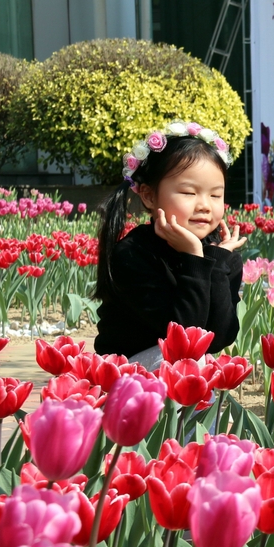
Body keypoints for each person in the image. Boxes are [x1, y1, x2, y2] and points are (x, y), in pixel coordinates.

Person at [94, 122, 247, 369]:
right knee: (190, 362)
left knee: (204, 366)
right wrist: (194, 258)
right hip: (127, 377)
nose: (205, 205)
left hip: (179, 376)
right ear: (149, 195)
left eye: (215, 195)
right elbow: (184, 338)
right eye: (189, 193)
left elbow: (220, 338)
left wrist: (215, 263)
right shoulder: (133, 255)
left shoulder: (222, 257)